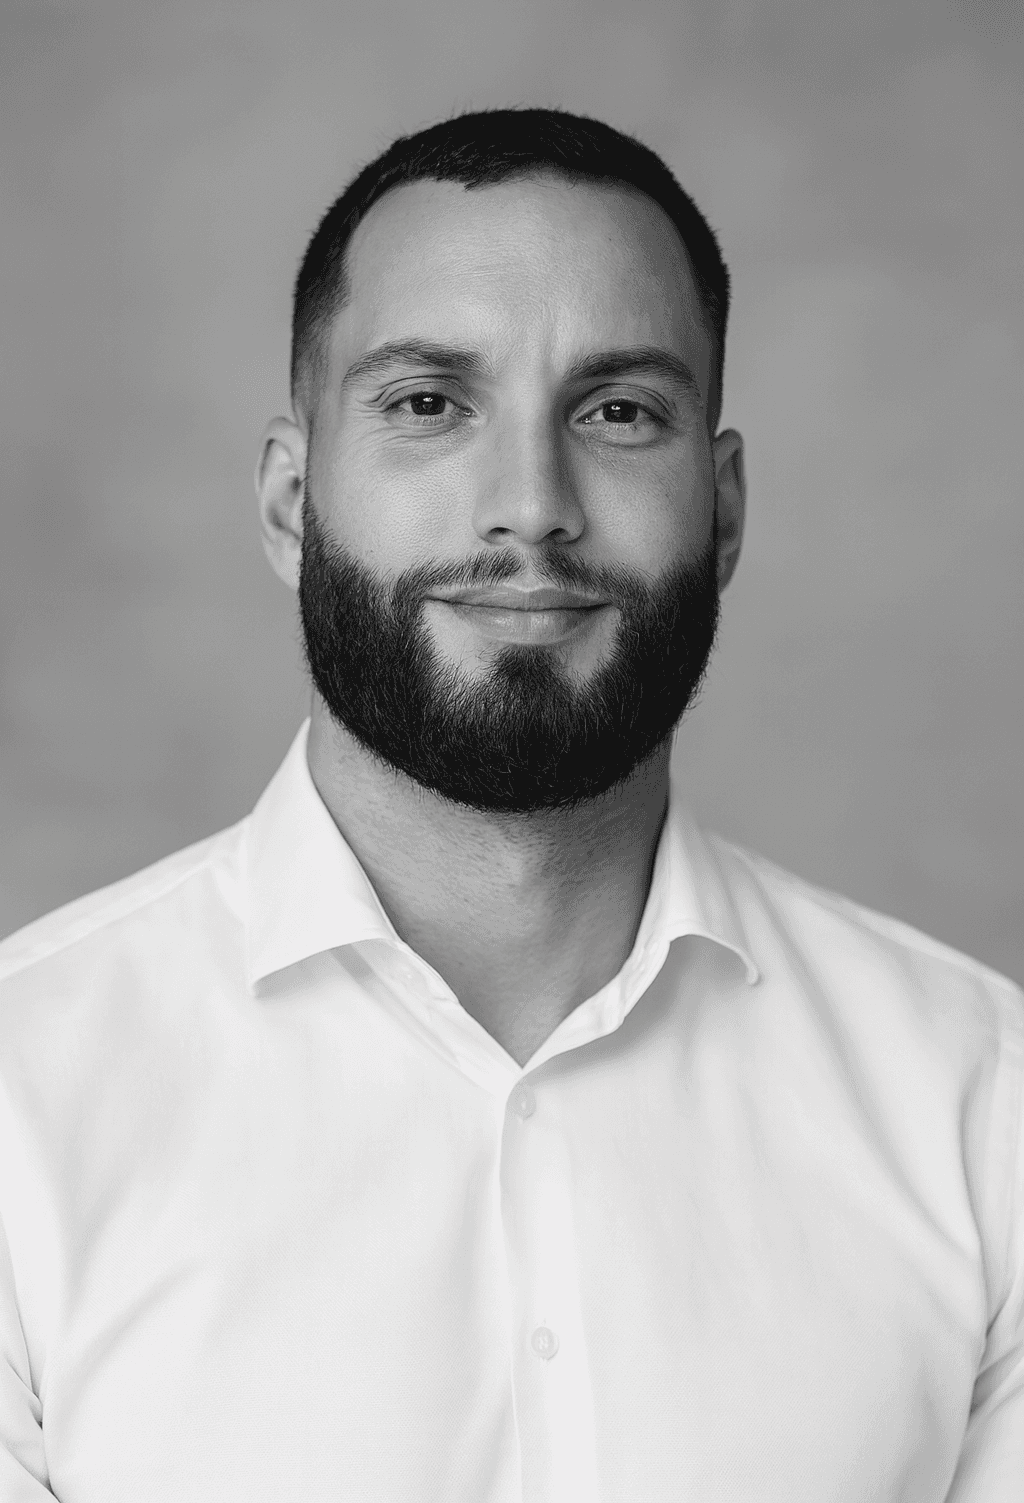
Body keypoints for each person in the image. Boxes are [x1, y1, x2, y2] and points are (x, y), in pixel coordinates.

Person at [0, 107, 1020, 1503]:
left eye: (618, 412)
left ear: (722, 511)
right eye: (430, 403)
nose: (531, 507)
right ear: (294, 501)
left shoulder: (984, 1107)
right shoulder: (23, 1100)